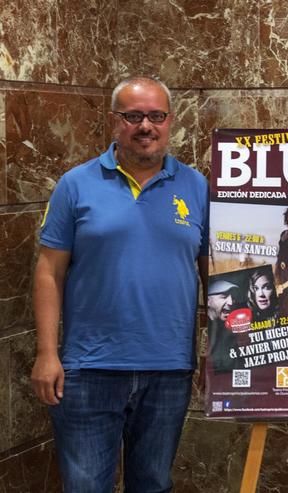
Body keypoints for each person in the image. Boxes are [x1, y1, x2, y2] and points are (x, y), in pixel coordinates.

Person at [30, 76, 209, 492]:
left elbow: (211, 275)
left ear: (170, 121)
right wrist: (46, 354)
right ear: (115, 122)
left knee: (153, 484)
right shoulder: (77, 184)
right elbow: (48, 271)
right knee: (86, 486)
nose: (145, 125)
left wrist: (221, 355)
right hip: (88, 370)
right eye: (133, 116)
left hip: (169, 370)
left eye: (156, 116)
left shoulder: (196, 187)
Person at [207, 279, 243, 372]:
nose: (231, 302)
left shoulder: (227, 327)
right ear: (208, 301)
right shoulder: (202, 327)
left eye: (233, 297)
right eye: (224, 296)